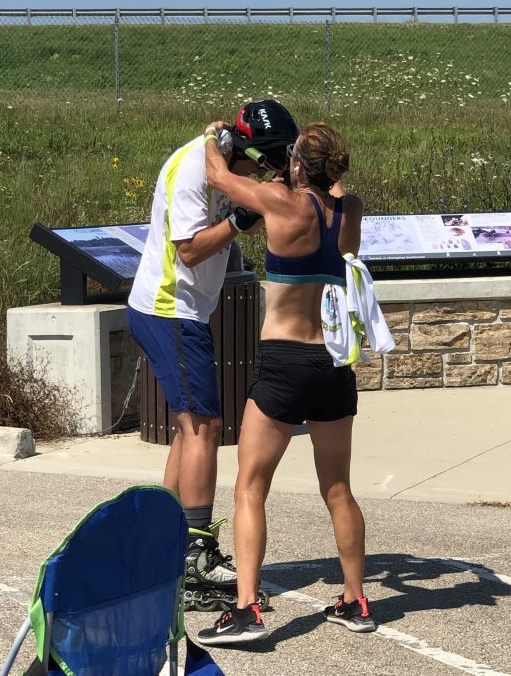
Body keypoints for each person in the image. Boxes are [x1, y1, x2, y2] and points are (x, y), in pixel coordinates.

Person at [197, 121, 376, 645]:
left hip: (284, 361)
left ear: (299, 166)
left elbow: (217, 175)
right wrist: (306, 167)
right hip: (333, 364)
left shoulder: (281, 203)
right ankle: (355, 599)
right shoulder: (350, 210)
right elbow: (333, 190)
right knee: (338, 488)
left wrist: (212, 136)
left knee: (250, 486)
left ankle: (246, 610)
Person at [127, 100, 299, 609]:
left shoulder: (223, 164)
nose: (269, 171)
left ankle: (165, 545)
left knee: (190, 428)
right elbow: (189, 249)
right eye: (269, 159)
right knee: (205, 426)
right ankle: (196, 556)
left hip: (184, 310)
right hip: (169, 308)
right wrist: (241, 221)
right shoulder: (193, 169)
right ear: (249, 150)